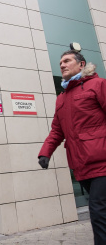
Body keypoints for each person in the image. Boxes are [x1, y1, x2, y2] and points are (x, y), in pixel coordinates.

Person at [38, 49, 106, 245]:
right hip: (80, 165)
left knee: (98, 210)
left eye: (67, 61)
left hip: (102, 161)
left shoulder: (97, 85)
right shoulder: (62, 98)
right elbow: (57, 131)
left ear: (81, 65)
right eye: (60, 62)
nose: (62, 64)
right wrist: (45, 153)